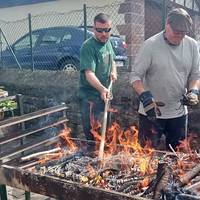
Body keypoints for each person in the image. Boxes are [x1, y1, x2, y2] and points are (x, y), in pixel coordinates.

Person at [130, 8, 200, 150]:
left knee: (176, 157)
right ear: (167, 24)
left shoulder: (192, 45)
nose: (179, 37)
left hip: (178, 113)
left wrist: (194, 91)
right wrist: (145, 96)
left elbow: (195, 75)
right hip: (151, 113)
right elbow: (135, 76)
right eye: (176, 32)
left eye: (183, 33)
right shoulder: (150, 45)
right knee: (145, 157)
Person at [79, 13, 117, 152]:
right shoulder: (88, 47)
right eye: (99, 30)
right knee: (93, 133)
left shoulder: (108, 42)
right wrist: (101, 89)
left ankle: (104, 154)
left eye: (107, 30)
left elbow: (112, 59)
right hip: (90, 98)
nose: (103, 34)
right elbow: (89, 73)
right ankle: (92, 159)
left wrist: (113, 71)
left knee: (106, 129)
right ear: (93, 29)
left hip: (105, 94)